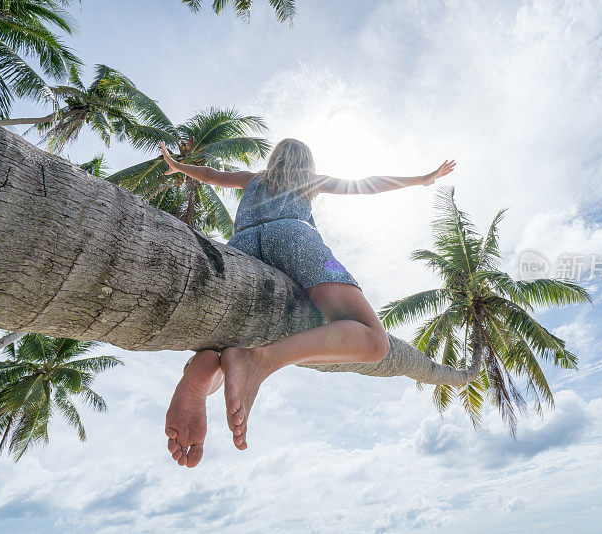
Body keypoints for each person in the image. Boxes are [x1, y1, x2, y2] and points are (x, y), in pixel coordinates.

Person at [160, 138, 456, 467]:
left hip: (241, 247)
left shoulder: (253, 179)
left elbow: (211, 173)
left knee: (229, 336)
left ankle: (203, 373)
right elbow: (368, 185)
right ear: (306, 162)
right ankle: (264, 360)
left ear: (274, 158)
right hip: (294, 238)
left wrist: (177, 166)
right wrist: (421, 179)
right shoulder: (307, 179)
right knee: (375, 341)